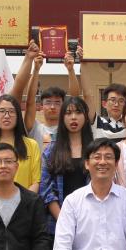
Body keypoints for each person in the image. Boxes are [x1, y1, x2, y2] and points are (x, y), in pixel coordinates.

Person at [40, 97, 93, 235]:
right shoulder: (51, 150)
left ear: (86, 117)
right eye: (68, 113)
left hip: (90, 222)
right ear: (62, 118)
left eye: (78, 112)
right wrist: (63, 220)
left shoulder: (94, 150)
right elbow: (46, 190)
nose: (73, 117)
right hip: (58, 223)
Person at [28, 84, 65, 149]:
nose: (52, 107)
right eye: (48, 102)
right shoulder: (35, 128)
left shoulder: (68, 128)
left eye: (57, 103)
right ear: (41, 107)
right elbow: (30, 101)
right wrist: (34, 76)